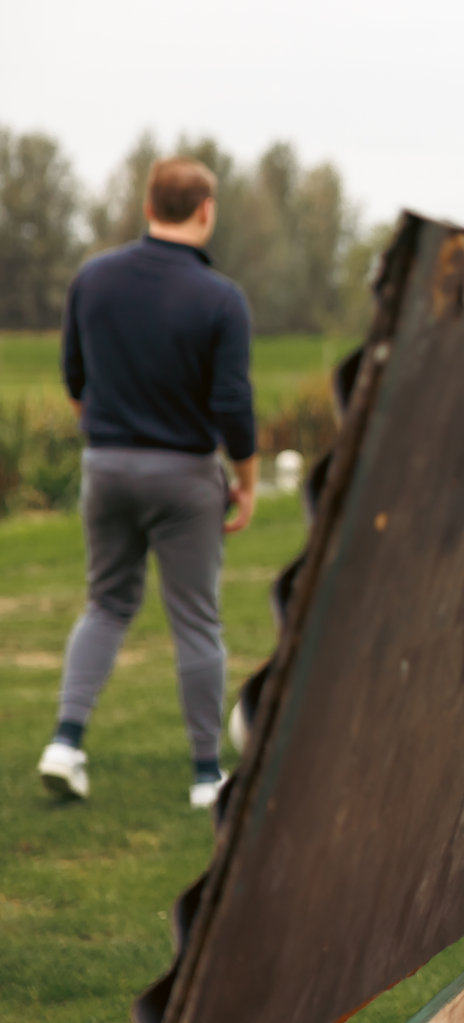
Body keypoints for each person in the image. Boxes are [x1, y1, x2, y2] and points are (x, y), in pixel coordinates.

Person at [40, 157, 257, 809]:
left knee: (105, 606)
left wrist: (107, 433)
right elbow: (232, 404)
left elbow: (75, 377)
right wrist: (246, 480)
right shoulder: (221, 298)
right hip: (185, 476)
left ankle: (65, 744)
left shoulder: (92, 278)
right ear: (206, 211)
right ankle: (204, 777)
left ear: (148, 205)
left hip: (105, 467)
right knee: (195, 621)